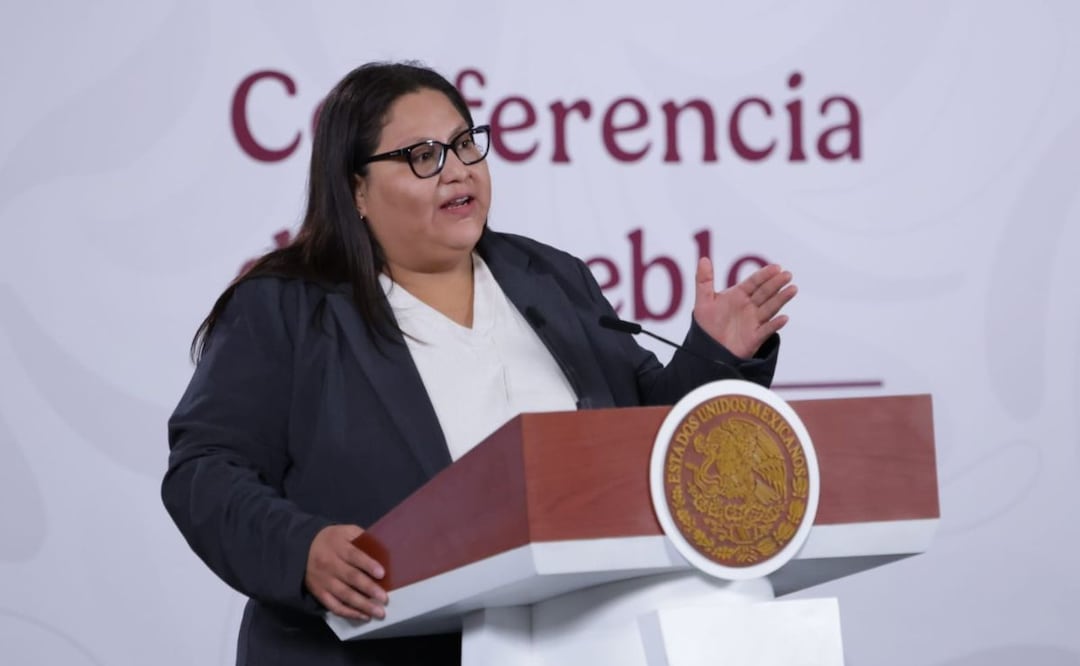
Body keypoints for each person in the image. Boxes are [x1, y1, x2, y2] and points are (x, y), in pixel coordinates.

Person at [161, 61, 796, 666]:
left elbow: (643, 445)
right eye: (422, 156)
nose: (457, 170)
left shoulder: (550, 278)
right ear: (356, 188)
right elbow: (205, 470)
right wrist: (299, 550)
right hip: (371, 652)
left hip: (577, 642)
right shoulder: (287, 308)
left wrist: (715, 354)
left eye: (466, 145)